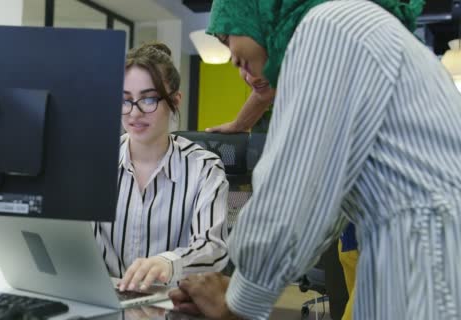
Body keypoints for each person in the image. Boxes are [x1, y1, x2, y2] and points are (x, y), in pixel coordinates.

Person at [169, 0, 461, 319]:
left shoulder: (328, 25)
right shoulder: (358, 25)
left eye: (227, 39)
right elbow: (324, 198)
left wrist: (238, 302)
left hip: (427, 260)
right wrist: (242, 285)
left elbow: (293, 189)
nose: (234, 63)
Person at [93, 42, 230, 293]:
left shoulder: (205, 168)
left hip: (173, 303)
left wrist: (168, 262)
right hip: (104, 300)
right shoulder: (95, 160)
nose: (134, 113)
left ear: (175, 100)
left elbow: (214, 248)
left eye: (148, 99)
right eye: (125, 101)